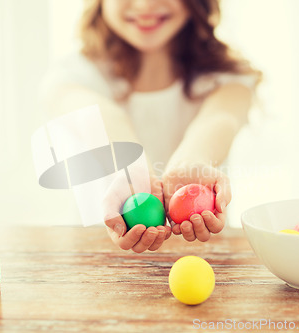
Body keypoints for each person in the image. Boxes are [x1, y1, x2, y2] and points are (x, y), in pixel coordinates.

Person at [39, 0, 261, 253]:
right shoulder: (73, 73)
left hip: (207, 255)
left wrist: (191, 161)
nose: (145, 5)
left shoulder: (229, 75)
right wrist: (130, 168)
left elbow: (219, 119)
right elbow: (100, 116)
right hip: (95, 256)